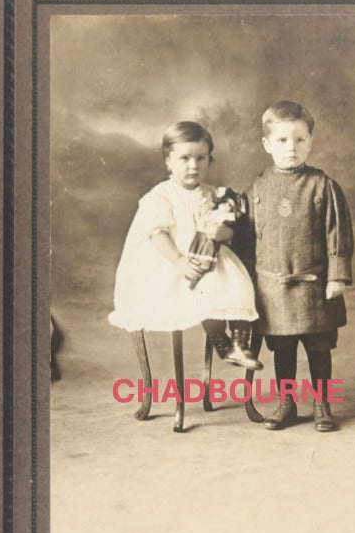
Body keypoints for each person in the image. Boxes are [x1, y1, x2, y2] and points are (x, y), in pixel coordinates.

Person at [236, 100, 353, 431]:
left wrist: (337, 277)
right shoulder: (256, 189)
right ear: (267, 144)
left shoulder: (322, 186)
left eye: (300, 140)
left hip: (315, 287)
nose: (292, 148)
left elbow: (338, 233)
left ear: (310, 142)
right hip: (273, 290)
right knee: (282, 349)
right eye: (283, 140)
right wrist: (246, 284)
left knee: (319, 349)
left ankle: (322, 404)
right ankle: (286, 402)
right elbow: (246, 242)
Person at [108, 121, 262, 370]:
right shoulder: (161, 196)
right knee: (207, 294)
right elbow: (157, 233)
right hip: (172, 261)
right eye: (185, 158)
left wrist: (223, 231)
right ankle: (221, 341)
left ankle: (239, 344)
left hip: (209, 259)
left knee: (237, 285)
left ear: (209, 160)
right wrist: (179, 261)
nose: (194, 165)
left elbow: (226, 229)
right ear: (168, 161)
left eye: (201, 158)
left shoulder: (215, 194)